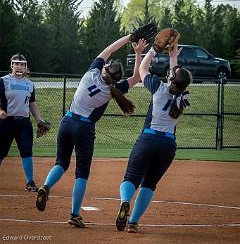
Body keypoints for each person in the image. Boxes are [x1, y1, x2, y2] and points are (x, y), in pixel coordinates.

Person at [36, 35, 147, 228]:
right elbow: (137, 77)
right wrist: (138, 54)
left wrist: (129, 37)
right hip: (84, 128)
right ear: (116, 79)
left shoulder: (91, 73)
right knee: (82, 173)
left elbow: (109, 49)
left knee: (61, 163)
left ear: (105, 68)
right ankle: (74, 214)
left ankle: (45, 186)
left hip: (67, 121)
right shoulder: (112, 90)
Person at [116, 36, 192, 233]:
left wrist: (153, 51)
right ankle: (133, 222)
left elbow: (142, 70)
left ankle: (125, 201)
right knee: (149, 184)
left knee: (131, 178)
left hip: (148, 139)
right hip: (167, 146)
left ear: (170, 79)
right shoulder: (183, 96)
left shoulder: (159, 88)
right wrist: (173, 57)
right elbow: (176, 78)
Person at [0, 53, 45, 192]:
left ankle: (30, 183)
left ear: (26, 67)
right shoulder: (3, 80)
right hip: (6, 122)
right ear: (11, 65)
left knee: (26, 151)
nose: (19, 66)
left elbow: (32, 104)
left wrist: (39, 120)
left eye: (22, 64)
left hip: (24, 123)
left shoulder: (29, 84)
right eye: (16, 63)